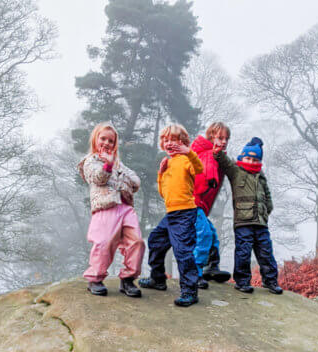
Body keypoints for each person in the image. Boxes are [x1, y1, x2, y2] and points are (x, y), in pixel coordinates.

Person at [139, 124, 204, 308]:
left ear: (182, 142)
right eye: (165, 140)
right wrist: (161, 173)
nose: (168, 143)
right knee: (155, 241)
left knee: (182, 251)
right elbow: (163, 192)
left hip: (185, 213)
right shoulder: (167, 163)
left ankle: (190, 291)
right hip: (171, 214)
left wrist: (189, 152)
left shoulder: (185, 160)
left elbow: (199, 169)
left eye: (173, 140)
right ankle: (158, 279)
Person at [78, 122, 144, 297]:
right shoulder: (90, 161)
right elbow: (97, 178)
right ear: (95, 139)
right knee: (104, 243)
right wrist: (107, 166)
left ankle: (128, 279)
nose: (107, 143)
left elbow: (135, 181)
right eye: (103, 139)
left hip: (125, 208)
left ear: (115, 144)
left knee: (136, 241)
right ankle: (95, 278)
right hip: (105, 207)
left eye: (111, 141)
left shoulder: (119, 164)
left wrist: (117, 170)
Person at [215, 137, 283, 295]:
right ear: (242, 157)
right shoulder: (236, 171)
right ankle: (242, 281)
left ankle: (270, 281)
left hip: (260, 223)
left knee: (266, 252)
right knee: (243, 252)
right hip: (243, 222)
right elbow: (224, 162)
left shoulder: (261, 177)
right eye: (248, 158)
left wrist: (266, 212)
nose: (251, 161)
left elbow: (268, 198)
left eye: (255, 159)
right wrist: (218, 151)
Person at [190, 122, 232, 286]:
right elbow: (207, 170)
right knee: (204, 234)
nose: (224, 141)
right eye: (220, 137)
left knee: (212, 234)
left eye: (226, 139)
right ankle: (194, 272)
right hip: (193, 203)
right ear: (211, 136)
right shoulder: (209, 153)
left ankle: (211, 267)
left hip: (200, 204)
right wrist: (211, 178)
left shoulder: (213, 154)